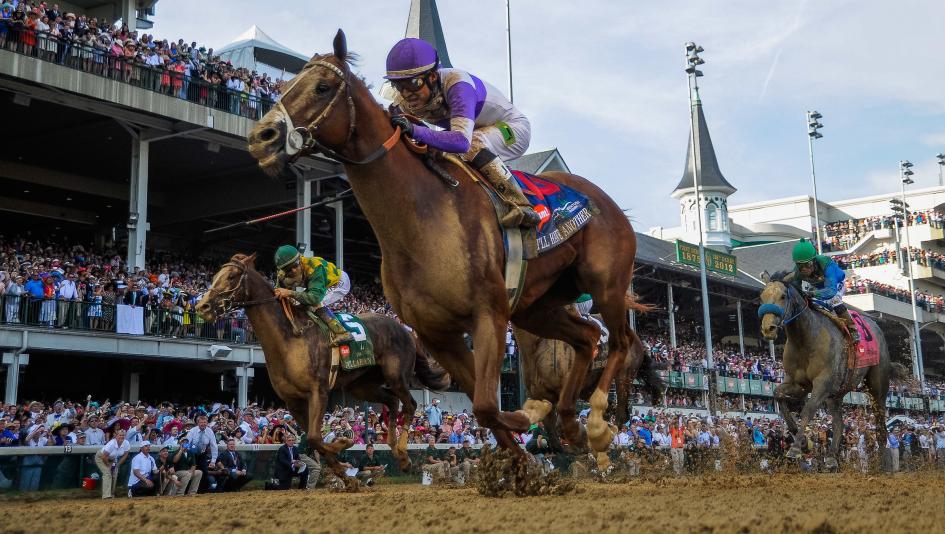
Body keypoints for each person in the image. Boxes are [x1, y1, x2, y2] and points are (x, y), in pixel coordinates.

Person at [385, 38, 539, 228]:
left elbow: (460, 141)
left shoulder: (458, 85)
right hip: (469, 130)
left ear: (432, 76)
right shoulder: (401, 100)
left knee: (473, 144)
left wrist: (416, 131)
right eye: (399, 85)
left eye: (414, 83)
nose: (407, 93)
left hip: (511, 130)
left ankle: (521, 205)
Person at [272, 245, 353, 346]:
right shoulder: (281, 274)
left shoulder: (315, 267)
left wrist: (290, 293)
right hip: (318, 285)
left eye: (296, 265)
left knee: (315, 304)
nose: (293, 270)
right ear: (282, 270)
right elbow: (277, 292)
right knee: (298, 303)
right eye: (288, 269)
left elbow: (315, 298)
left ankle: (342, 333)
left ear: (300, 258)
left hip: (338, 282)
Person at [788, 239, 859, 342]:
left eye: (807, 265)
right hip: (817, 286)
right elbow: (794, 286)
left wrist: (812, 293)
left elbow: (831, 291)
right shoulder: (798, 271)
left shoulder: (826, 264)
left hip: (835, 284)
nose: (803, 269)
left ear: (814, 260)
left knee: (834, 301)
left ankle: (853, 330)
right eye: (799, 265)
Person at [95, 428, 130, 499]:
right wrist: (108, 466)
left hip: (112, 459)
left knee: (115, 474)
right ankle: (106, 495)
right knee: (107, 473)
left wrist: (118, 464)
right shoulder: (111, 444)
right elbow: (104, 456)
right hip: (101, 457)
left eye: (123, 435)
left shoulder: (126, 443)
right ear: (116, 436)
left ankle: (112, 493)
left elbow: (126, 454)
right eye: (120, 435)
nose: (122, 437)